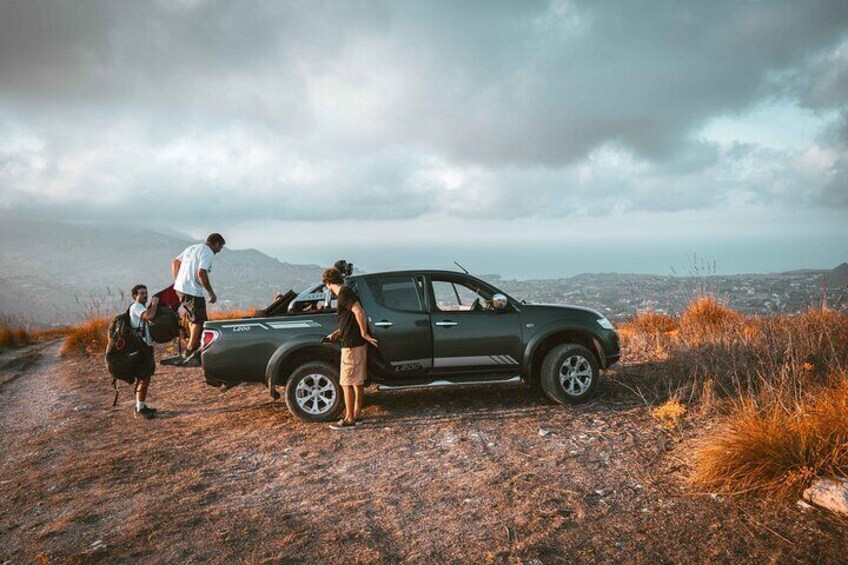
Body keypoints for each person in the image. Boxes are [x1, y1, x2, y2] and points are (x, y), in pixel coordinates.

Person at [322, 267, 378, 430]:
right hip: (354, 343)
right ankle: (357, 415)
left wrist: (364, 333)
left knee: (347, 382)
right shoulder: (346, 292)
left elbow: (359, 312)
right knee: (356, 382)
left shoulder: (344, 293)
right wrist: (338, 332)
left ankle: (349, 419)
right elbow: (350, 318)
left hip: (351, 345)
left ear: (328, 283)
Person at [171, 233, 225, 364]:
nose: (219, 250)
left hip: (180, 289)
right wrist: (211, 293)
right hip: (193, 291)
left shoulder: (193, 247)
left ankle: (193, 346)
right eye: (220, 247)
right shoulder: (207, 252)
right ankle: (189, 352)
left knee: (192, 318)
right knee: (198, 321)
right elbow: (201, 273)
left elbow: (175, 262)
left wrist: (178, 280)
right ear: (216, 243)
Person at [129, 284, 159, 419]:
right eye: (141, 293)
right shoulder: (136, 307)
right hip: (140, 348)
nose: (145, 295)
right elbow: (150, 315)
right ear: (135, 296)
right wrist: (155, 303)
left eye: (146, 293)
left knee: (145, 377)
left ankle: (140, 405)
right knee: (144, 377)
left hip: (145, 346)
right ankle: (139, 409)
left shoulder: (139, 307)